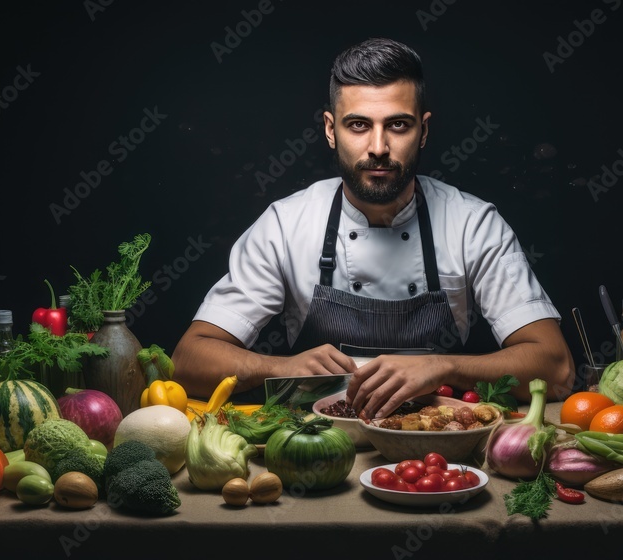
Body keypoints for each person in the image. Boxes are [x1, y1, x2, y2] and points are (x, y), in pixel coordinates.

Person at [172, 37, 574, 419]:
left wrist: (443, 366)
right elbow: (190, 361)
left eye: (398, 125)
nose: (378, 147)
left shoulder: (472, 224)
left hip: (439, 446)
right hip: (319, 446)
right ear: (331, 130)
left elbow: (555, 369)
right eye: (358, 125)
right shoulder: (286, 225)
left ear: (425, 130)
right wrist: (283, 367)